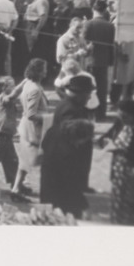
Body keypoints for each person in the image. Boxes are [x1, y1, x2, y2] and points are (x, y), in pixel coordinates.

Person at [39, 74, 95, 218]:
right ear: (80, 93)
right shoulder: (70, 110)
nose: (89, 97)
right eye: (88, 93)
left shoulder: (68, 105)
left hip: (59, 179)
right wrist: (81, 201)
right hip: (61, 186)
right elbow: (66, 173)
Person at [98, 100, 134, 226]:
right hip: (118, 172)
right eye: (120, 116)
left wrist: (121, 151)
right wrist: (105, 142)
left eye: (125, 116)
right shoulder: (119, 124)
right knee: (117, 203)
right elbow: (104, 138)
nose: (123, 119)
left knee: (133, 206)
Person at [12, 58, 49, 199]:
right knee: (29, 159)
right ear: (39, 72)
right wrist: (49, 118)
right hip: (32, 129)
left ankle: (18, 186)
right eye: (44, 69)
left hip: (27, 127)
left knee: (26, 159)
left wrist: (9, 97)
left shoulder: (27, 82)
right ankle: (16, 189)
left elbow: (16, 91)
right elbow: (31, 114)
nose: (46, 72)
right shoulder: (35, 89)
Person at [83, 0, 115, 120]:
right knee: (102, 89)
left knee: (89, 88)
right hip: (104, 61)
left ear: (93, 9)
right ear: (105, 10)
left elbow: (83, 42)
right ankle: (101, 114)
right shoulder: (110, 25)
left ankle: (90, 113)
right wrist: (111, 60)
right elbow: (111, 45)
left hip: (90, 60)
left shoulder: (89, 24)